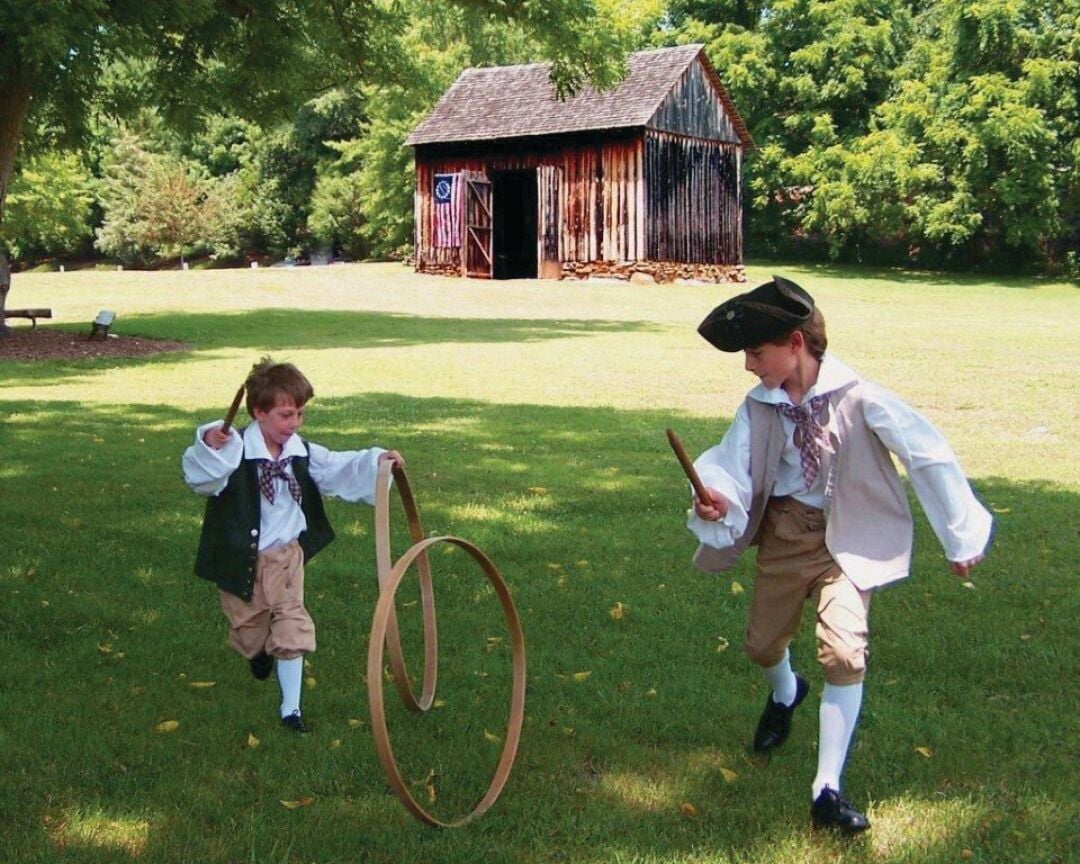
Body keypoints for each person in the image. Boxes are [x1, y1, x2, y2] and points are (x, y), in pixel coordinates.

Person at [685, 276, 993, 834]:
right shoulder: (759, 408)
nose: (750, 366)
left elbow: (927, 454)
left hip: (851, 535)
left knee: (846, 655)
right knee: (761, 645)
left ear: (796, 343)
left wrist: (961, 534)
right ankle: (787, 690)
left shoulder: (862, 397)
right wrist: (714, 499)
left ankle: (826, 789)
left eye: (757, 352)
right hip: (784, 537)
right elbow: (728, 464)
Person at [182, 357, 402, 734]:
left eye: (299, 413)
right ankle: (257, 653)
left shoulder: (300, 453)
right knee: (250, 633)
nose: (295, 423)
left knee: (293, 628)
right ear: (258, 413)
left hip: (287, 559)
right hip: (242, 562)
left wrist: (377, 462)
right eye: (286, 415)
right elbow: (201, 476)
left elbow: (337, 467)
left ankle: (291, 711)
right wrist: (208, 443)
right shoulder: (234, 454)